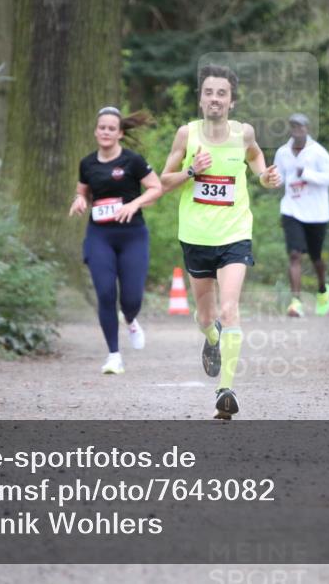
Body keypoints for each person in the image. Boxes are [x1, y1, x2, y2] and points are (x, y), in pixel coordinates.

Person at [160, 64, 282, 419]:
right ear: (200, 99)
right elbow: (162, 181)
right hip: (196, 236)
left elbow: (256, 155)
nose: (215, 99)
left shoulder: (243, 133)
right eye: (209, 92)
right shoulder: (187, 135)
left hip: (234, 234)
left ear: (232, 101)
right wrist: (191, 171)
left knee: (229, 309)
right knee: (205, 315)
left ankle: (224, 390)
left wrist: (263, 175)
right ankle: (211, 338)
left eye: (222, 93)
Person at [70, 106, 163, 374]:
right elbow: (83, 193)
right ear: (96, 131)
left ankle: (131, 319)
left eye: (112, 128)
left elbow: (156, 188)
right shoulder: (87, 163)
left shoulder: (133, 161)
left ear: (120, 133)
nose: (106, 132)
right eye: (102, 128)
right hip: (100, 235)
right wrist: (78, 200)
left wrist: (134, 204)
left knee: (131, 298)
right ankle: (114, 355)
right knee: (106, 293)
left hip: (132, 235)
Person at [272, 113, 329, 317]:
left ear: (307, 129)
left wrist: (307, 175)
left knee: (316, 257)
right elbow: (279, 178)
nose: (297, 130)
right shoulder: (283, 152)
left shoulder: (317, 152)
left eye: (300, 127)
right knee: (294, 254)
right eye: (293, 126)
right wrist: (273, 179)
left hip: (316, 213)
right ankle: (296, 302)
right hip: (292, 209)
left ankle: (322, 290)